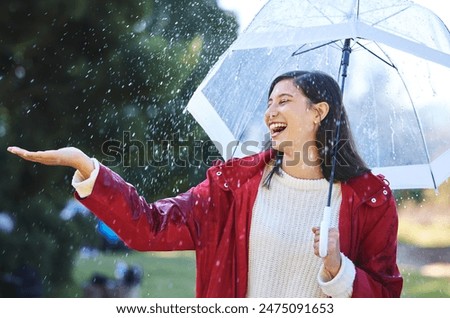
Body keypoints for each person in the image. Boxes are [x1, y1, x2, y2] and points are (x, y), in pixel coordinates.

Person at [7, 70, 403, 298]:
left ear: (319, 112)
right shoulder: (234, 187)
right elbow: (150, 227)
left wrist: (338, 268)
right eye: (268, 103)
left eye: (283, 101)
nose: (270, 113)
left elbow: (385, 297)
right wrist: (89, 168)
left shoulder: (371, 200)